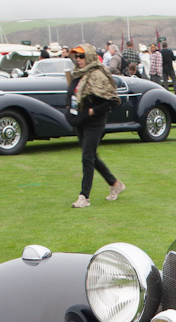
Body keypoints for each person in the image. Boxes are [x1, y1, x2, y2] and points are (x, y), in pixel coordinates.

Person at [65, 44, 124, 208]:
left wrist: (93, 111)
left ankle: (84, 196)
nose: (79, 60)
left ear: (90, 56)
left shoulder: (98, 75)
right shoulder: (77, 74)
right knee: (91, 156)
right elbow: (71, 95)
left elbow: (111, 101)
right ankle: (115, 184)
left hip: (95, 122)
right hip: (80, 121)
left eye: (82, 56)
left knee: (87, 157)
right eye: (77, 57)